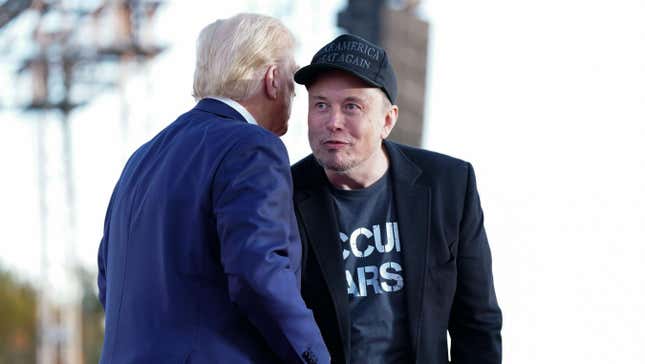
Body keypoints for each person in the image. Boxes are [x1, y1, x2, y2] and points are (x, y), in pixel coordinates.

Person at [97, 14, 329, 364]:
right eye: (293, 87)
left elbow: (108, 280)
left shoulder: (141, 159)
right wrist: (314, 357)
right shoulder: (252, 147)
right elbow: (259, 272)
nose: (293, 99)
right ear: (273, 80)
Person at [291, 34, 502, 364]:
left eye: (352, 106)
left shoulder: (448, 184)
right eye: (321, 105)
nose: (333, 122)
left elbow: (477, 322)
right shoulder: (284, 193)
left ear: (387, 120)